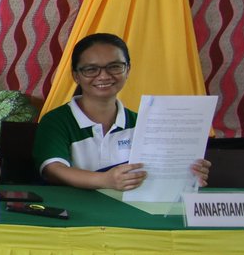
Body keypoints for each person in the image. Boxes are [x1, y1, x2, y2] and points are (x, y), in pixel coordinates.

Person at [33, 32, 210, 190]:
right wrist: (104, 180)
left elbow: (157, 174)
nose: (103, 76)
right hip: (74, 217)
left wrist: (186, 173)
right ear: (76, 75)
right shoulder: (56, 121)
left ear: (128, 70)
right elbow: (54, 171)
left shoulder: (143, 123)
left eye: (115, 67)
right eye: (91, 69)